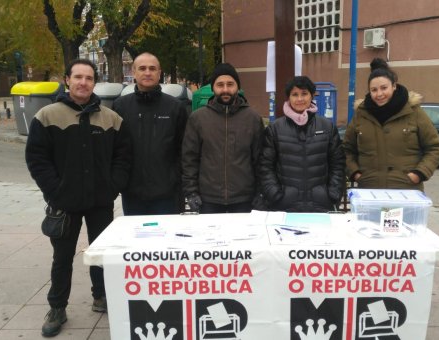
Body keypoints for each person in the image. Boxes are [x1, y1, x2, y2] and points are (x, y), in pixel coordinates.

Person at [25, 59, 130, 337]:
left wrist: (113, 186)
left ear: (94, 82)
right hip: (64, 202)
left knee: (101, 255)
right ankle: (57, 306)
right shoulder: (47, 116)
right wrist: (55, 191)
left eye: (89, 78)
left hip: (100, 201)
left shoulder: (111, 119)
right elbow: (37, 159)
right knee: (62, 257)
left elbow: (123, 157)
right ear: (67, 80)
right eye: (78, 77)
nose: (83, 82)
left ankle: (101, 296)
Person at [342, 58, 439, 191]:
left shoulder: (413, 112)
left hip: (406, 191)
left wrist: (419, 174)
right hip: (370, 191)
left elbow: (434, 147)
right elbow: (347, 149)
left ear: (394, 86)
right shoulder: (361, 114)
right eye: (374, 90)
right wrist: (355, 173)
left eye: (384, 88)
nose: (379, 94)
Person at [182, 63, 265, 213]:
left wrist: (260, 191)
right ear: (213, 87)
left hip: (244, 199)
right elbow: (189, 159)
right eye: (220, 85)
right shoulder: (198, 118)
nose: (225, 89)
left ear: (237, 87)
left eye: (230, 84)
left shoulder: (252, 118)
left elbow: (260, 159)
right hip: (208, 199)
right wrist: (191, 191)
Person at [113, 52, 188, 215]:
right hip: (132, 194)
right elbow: (116, 149)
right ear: (134, 72)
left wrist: (177, 180)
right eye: (142, 68)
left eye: (152, 68)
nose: (147, 72)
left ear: (159, 73)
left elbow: (184, 150)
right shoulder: (120, 107)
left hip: (167, 194)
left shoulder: (175, 107)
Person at [258, 76, 345, 212]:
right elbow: (265, 166)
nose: (300, 99)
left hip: (320, 205)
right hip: (284, 205)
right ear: (288, 98)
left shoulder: (327, 127)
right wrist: (274, 194)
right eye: (295, 94)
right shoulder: (275, 128)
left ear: (311, 96)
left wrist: (332, 194)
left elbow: (337, 164)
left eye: (304, 94)